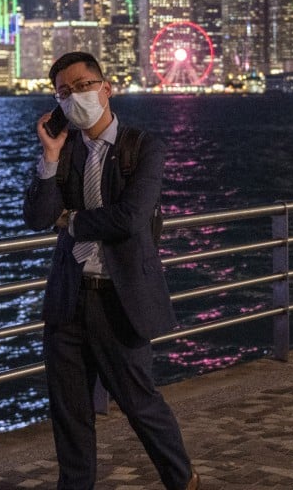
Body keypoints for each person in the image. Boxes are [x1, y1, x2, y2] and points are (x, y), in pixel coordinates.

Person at [23, 52, 199, 490]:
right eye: (64, 92)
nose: (76, 96)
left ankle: (183, 480)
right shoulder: (65, 152)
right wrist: (48, 156)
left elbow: (131, 218)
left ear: (106, 88)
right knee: (70, 413)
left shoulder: (143, 146)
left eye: (83, 85)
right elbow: (38, 216)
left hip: (119, 299)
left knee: (139, 403)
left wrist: (74, 221)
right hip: (67, 297)